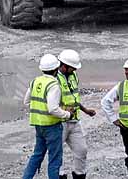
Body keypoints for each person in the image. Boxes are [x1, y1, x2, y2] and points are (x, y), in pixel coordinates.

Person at [21, 53, 70, 179]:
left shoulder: (35, 81)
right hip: (52, 126)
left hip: (38, 125)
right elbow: (53, 108)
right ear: (56, 69)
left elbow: (26, 102)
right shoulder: (53, 85)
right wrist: (67, 114)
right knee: (55, 160)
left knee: (37, 155)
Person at [56, 49, 95, 179]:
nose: (75, 70)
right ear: (64, 66)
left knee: (81, 150)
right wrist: (64, 112)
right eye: (73, 67)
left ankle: (79, 175)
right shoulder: (54, 79)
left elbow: (74, 98)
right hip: (59, 122)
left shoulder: (73, 76)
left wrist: (85, 110)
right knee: (57, 154)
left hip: (74, 121)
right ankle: (60, 175)